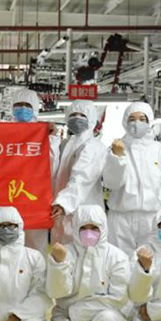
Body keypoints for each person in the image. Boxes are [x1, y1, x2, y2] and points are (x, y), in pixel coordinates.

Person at [47, 205, 129, 321]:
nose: (89, 233)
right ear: (75, 228)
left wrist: (78, 310)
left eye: (94, 228)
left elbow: (119, 298)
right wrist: (58, 265)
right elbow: (55, 292)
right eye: (83, 228)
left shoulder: (117, 257)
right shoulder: (65, 253)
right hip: (67, 314)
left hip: (102, 314)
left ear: (103, 228)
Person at [103, 102, 161, 256]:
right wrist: (117, 158)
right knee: (119, 260)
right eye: (132, 119)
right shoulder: (114, 149)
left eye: (142, 119)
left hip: (152, 217)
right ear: (125, 122)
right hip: (120, 217)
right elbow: (111, 183)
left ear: (149, 121)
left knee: (152, 261)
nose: (136, 123)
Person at [50, 101, 108, 244]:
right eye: (73, 115)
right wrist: (52, 138)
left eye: (82, 115)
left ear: (91, 119)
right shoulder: (68, 144)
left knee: (86, 252)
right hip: (63, 212)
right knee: (63, 253)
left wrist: (63, 203)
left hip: (84, 213)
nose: (76, 118)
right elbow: (53, 173)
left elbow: (82, 179)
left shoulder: (94, 147)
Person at [10, 88, 56, 254]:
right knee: (6, 243)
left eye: (27, 105)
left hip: (35, 198)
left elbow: (52, 165)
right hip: (8, 196)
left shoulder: (44, 135)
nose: (22, 109)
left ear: (35, 108)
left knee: (34, 248)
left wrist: (52, 139)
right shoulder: (3, 133)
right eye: (18, 105)